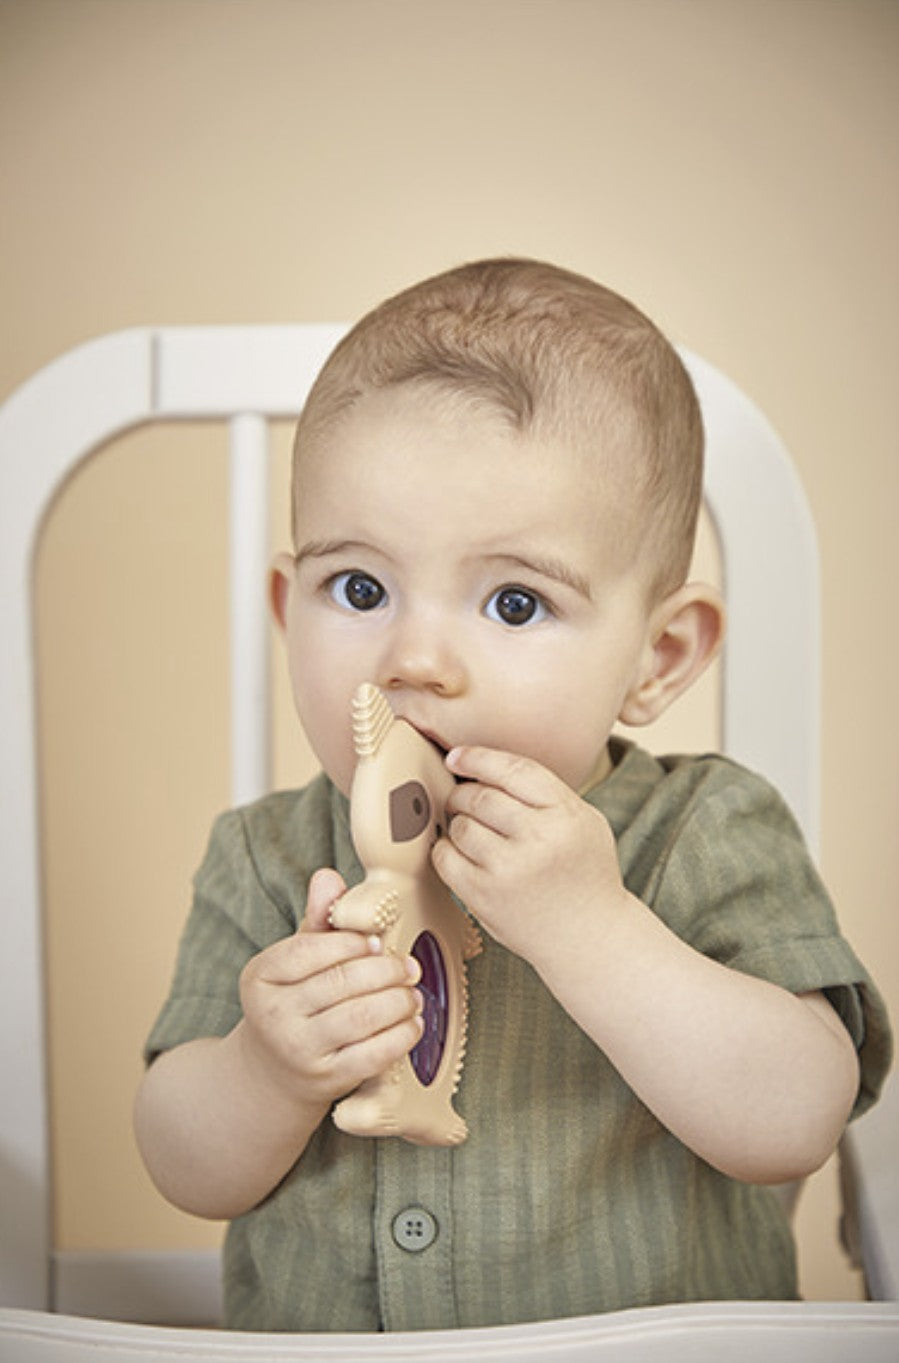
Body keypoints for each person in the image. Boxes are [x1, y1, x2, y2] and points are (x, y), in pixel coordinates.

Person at [134, 258, 892, 1332]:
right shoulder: (265, 855)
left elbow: (793, 1120)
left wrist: (589, 924)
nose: (416, 659)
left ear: (656, 656)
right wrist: (267, 1067)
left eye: (513, 601)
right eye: (358, 589)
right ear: (286, 604)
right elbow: (183, 1163)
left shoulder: (702, 832)